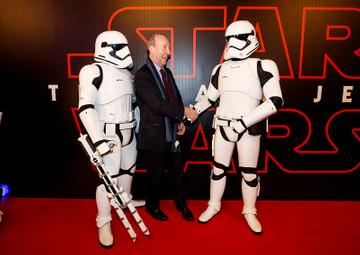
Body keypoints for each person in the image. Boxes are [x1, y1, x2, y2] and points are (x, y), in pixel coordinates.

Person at [191, 20, 283, 234]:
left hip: (248, 128)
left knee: (249, 173)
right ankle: (213, 204)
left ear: (250, 37)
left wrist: (242, 123)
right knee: (218, 169)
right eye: (229, 39)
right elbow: (209, 99)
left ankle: (250, 210)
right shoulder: (220, 68)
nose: (232, 43)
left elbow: (275, 101)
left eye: (238, 38)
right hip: (223, 125)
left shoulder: (263, 65)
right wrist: (189, 115)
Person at [78, 30, 144, 247]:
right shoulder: (92, 70)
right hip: (108, 134)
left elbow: (133, 105)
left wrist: (138, 129)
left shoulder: (126, 73)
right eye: (119, 47)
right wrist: (98, 141)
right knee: (108, 181)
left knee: (128, 171)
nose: (125, 52)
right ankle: (104, 222)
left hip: (129, 131)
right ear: (106, 47)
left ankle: (124, 200)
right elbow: (86, 108)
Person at [134, 34, 197, 222]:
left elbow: (175, 98)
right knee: (156, 175)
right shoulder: (142, 75)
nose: (168, 53)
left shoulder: (167, 73)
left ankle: (181, 204)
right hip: (154, 134)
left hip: (173, 131)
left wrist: (179, 121)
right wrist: (184, 112)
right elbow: (157, 104)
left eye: (168, 48)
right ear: (151, 48)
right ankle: (152, 207)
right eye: (164, 47)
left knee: (177, 171)